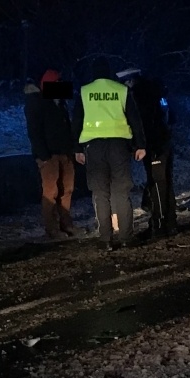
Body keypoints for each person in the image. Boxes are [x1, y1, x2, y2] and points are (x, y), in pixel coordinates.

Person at [74, 58, 147, 250]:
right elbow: (135, 119)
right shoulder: (121, 90)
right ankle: (125, 238)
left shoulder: (84, 91)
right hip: (119, 147)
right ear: (109, 72)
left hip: (94, 148)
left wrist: (76, 149)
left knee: (100, 193)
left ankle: (105, 239)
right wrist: (140, 145)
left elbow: (77, 122)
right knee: (121, 192)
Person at [118, 67, 177, 237]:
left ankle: (158, 225)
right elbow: (171, 117)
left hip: (153, 145)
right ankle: (170, 223)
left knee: (157, 183)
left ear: (130, 81)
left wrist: (138, 144)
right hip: (164, 141)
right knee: (165, 182)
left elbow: (140, 123)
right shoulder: (156, 91)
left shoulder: (139, 95)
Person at [24, 69, 79, 240]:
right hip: (50, 155)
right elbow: (34, 131)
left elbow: (66, 128)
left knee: (67, 189)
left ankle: (66, 224)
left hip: (64, 153)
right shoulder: (37, 103)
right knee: (51, 192)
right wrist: (43, 156)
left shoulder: (59, 103)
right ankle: (52, 228)